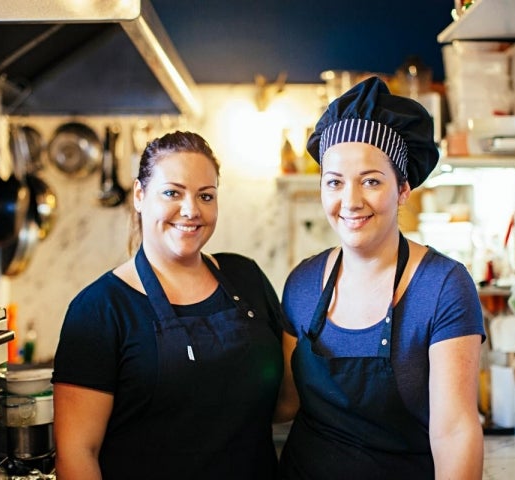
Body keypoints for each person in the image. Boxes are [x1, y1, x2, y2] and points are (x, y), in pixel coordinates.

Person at [275, 77, 486, 479]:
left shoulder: (442, 286)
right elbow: (285, 403)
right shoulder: (302, 284)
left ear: (403, 188)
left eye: (371, 181)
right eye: (334, 182)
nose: (351, 201)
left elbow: (455, 431)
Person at [52, 131, 285, 480]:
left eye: (205, 196)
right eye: (172, 193)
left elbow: (284, 400)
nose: (191, 210)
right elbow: (77, 454)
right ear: (139, 196)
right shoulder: (100, 309)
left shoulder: (246, 277)